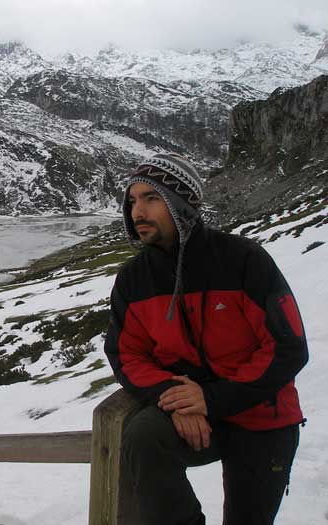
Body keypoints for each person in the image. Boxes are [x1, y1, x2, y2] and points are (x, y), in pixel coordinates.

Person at [104, 153, 309, 525]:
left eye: (151, 198)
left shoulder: (243, 259)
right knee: (144, 437)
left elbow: (287, 346)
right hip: (193, 415)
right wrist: (176, 398)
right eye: (132, 201)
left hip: (262, 416)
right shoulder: (134, 279)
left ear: (181, 204)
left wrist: (210, 399)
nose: (137, 212)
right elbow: (126, 353)